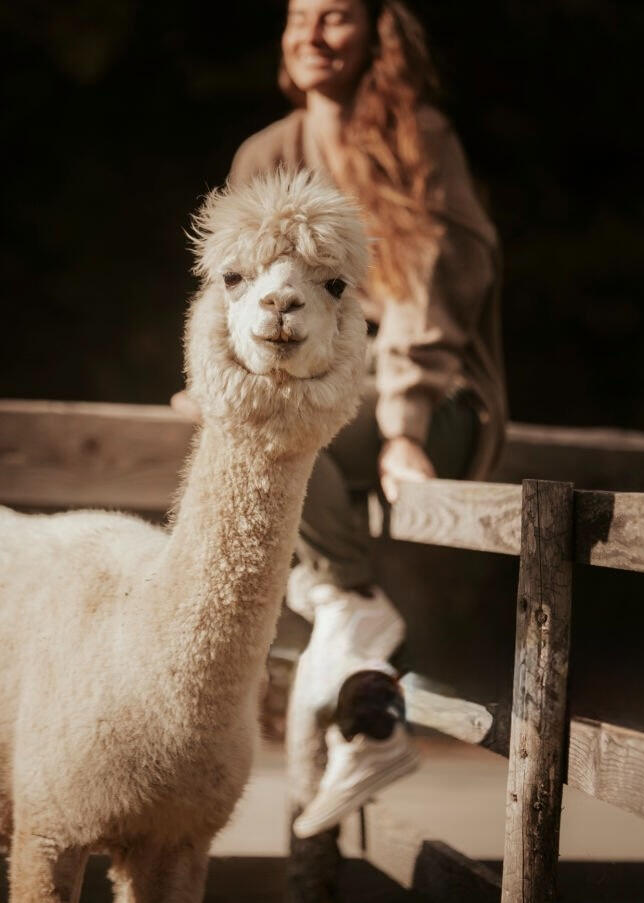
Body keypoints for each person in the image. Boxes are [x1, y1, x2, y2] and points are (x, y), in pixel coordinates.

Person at [174, 0, 506, 841]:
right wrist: (214, 377)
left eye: (336, 17)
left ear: (378, 34)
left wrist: (404, 423)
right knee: (262, 434)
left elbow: (439, 287)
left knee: (276, 432)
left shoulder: (416, 138)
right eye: (297, 16)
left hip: (428, 404)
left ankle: (353, 625)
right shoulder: (266, 153)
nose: (311, 35)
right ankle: (369, 704)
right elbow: (237, 291)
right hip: (310, 407)